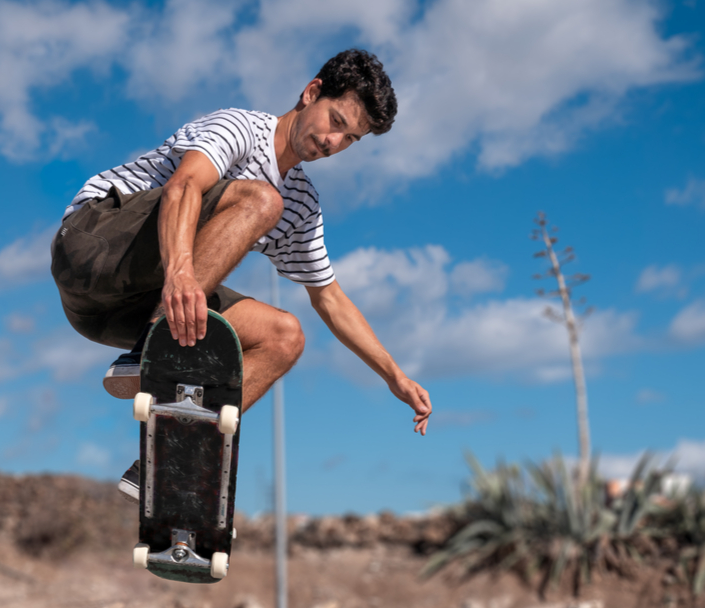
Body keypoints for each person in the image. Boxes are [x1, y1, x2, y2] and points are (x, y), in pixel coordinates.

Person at [51, 48, 432, 502]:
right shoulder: (240, 129)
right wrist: (179, 276)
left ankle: (167, 452)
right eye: (335, 120)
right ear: (312, 92)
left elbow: (328, 296)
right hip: (91, 244)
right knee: (264, 201)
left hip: (102, 315)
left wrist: (394, 375)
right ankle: (158, 342)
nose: (333, 142)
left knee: (285, 336)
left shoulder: (303, 204)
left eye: (350, 138)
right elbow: (184, 186)